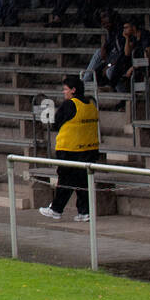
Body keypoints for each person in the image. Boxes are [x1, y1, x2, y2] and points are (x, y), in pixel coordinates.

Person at [39, 75, 100, 222]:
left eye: (65, 89)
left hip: (70, 149)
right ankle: (84, 211)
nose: (63, 92)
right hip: (90, 149)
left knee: (66, 180)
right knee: (82, 181)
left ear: (73, 90)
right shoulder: (91, 104)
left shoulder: (70, 105)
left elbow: (55, 123)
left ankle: (56, 209)